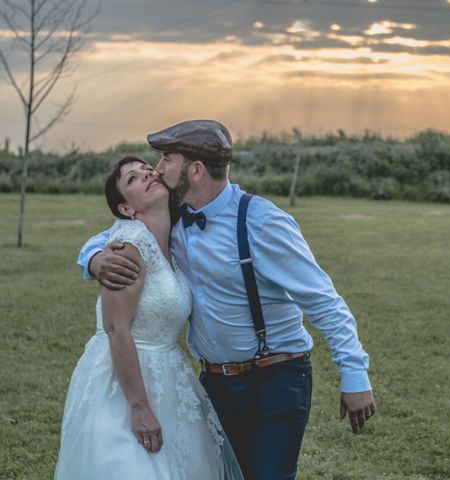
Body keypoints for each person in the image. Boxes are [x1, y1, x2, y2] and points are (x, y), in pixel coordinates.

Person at [77, 120, 376, 480]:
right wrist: (93, 258)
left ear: (196, 170)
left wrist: (355, 375)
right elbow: (119, 232)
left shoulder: (261, 221)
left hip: (275, 379)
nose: (157, 169)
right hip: (214, 385)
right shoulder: (173, 216)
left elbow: (324, 300)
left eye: (167, 160)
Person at [56, 156, 242, 479]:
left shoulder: (176, 239)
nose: (145, 175)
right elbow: (116, 329)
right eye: (132, 179)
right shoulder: (128, 246)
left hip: (170, 381)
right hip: (122, 385)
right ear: (126, 209)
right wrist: (139, 408)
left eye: (146, 170)